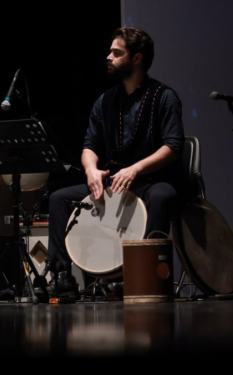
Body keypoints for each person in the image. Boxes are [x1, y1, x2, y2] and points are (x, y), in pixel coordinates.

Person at [45, 27, 184, 295]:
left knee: (164, 195)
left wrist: (135, 168)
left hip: (149, 181)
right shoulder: (105, 101)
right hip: (112, 182)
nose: (108, 57)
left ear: (137, 59)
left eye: (116, 53)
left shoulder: (163, 97)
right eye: (109, 51)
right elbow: (89, 146)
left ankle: (144, 274)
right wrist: (91, 171)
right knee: (59, 198)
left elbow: (173, 146)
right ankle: (62, 279)